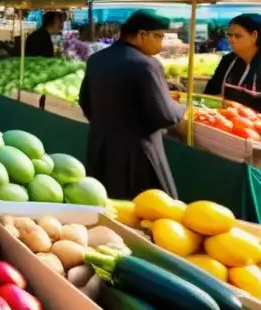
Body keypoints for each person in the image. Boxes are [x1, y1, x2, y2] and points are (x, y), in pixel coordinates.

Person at [79, 11, 184, 199]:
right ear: (141, 35)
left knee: (105, 205)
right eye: (159, 36)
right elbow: (165, 115)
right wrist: (182, 107)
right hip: (138, 155)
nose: (161, 43)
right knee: (145, 211)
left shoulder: (97, 59)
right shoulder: (146, 65)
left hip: (101, 148)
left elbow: (85, 101)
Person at [204, 14, 261, 112]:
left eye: (238, 36)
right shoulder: (227, 61)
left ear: (254, 35)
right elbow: (210, 94)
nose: (231, 40)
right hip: (224, 120)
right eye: (229, 35)